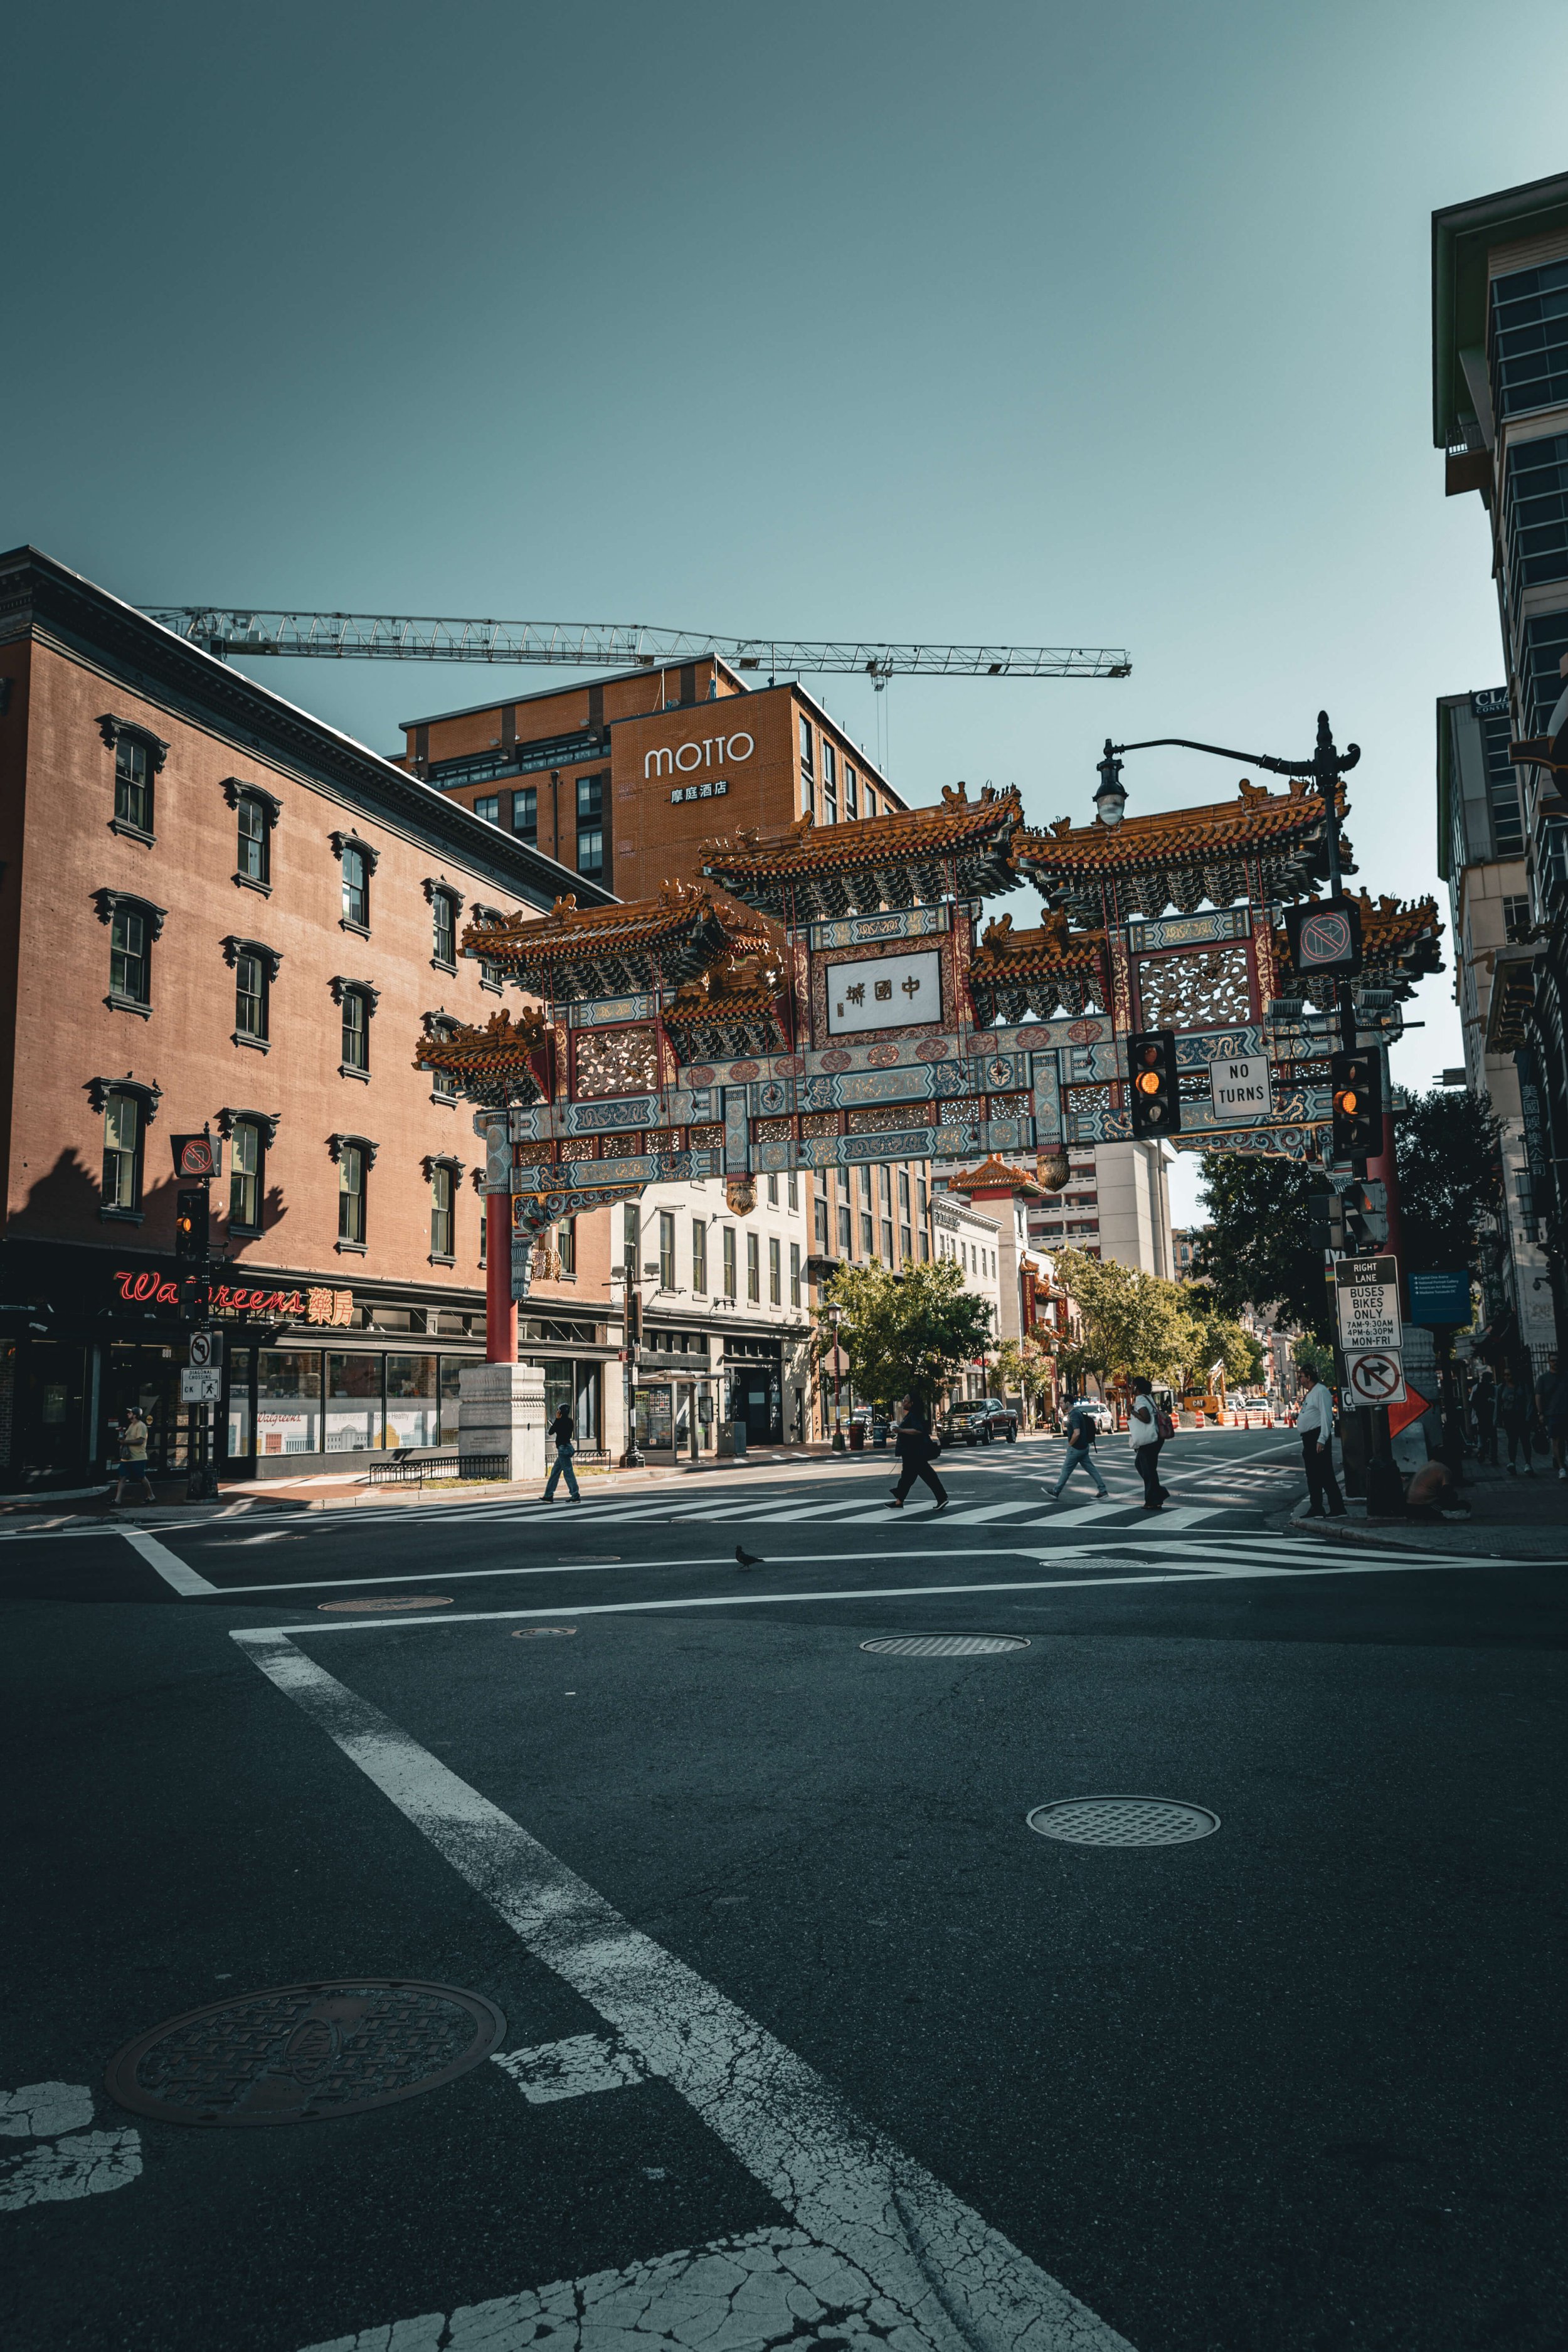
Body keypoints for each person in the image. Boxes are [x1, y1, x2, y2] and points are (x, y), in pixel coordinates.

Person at [1296, 1374, 1345, 1518]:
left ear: (1309, 1377)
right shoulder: (1311, 1393)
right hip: (1309, 1438)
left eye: (1301, 1377)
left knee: (1325, 1474)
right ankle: (1316, 1507)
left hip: (1317, 1437)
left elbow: (1326, 1415)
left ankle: (1338, 1508)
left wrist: (1322, 1438)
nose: (1299, 1380)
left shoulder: (1321, 1391)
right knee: (1313, 1476)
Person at [1047, 1396, 1111, 1502]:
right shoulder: (1076, 1413)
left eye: (1062, 1402)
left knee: (1066, 1470)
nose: (1061, 1404)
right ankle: (1103, 1490)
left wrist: (1070, 1445)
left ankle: (1056, 1491)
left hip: (1076, 1448)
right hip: (1084, 1447)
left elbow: (1077, 1433)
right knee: (1091, 1469)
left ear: (1068, 1403)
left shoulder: (1074, 1415)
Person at [887, 1401, 948, 1511]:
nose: (903, 1402)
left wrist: (901, 1430)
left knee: (927, 1476)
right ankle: (899, 1501)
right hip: (911, 1452)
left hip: (914, 1452)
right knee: (908, 1477)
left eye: (906, 1401)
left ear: (912, 1403)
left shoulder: (914, 1416)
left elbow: (918, 1430)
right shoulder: (911, 1415)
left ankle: (942, 1497)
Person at [1127, 1375, 1167, 1511]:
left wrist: (1132, 1412)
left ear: (1137, 1388)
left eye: (1133, 1386)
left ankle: (1154, 1499)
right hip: (1155, 1438)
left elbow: (1146, 1418)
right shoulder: (1149, 1398)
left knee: (1147, 1470)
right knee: (1144, 1466)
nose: (1131, 1388)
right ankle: (1157, 1494)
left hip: (1149, 1440)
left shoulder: (1140, 1400)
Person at [112, 1410, 154, 1507]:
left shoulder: (141, 1426)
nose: (128, 1414)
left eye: (130, 1413)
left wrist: (125, 1442)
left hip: (138, 1457)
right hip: (127, 1457)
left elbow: (140, 1441)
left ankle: (151, 1496)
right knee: (122, 1476)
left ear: (135, 1415)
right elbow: (128, 1438)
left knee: (141, 1477)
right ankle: (117, 1500)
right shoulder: (131, 1425)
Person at [1496, 1370, 1533, 1476]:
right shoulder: (1502, 1388)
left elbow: (1529, 1401)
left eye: (1509, 1374)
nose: (1507, 1377)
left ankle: (1528, 1463)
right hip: (1509, 1417)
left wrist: (1529, 1416)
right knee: (1512, 1441)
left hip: (1521, 1416)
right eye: (1505, 1375)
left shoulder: (1522, 1386)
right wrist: (1497, 1418)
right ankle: (1512, 1462)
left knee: (1525, 1440)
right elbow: (1498, 1404)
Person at [543, 1404, 581, 1502]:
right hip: (567, 1447)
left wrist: (557, 1419)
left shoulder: (560, 1422)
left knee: (568, 1473)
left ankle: (575, 1495)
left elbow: (551, 1432)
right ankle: (548, 1495)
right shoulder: (570, 1422)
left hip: (563, 1449)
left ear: (560, 1413)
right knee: (555, 1472)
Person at [1471, 1370, 1497, 1466]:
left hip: (1480, 1416)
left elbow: (1471, 1401)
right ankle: (1493, 1457)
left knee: (1481, 1436)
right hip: (1491, 1416)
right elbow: (1497, 1401)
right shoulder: (1494, 1388)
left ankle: (1481, 1451)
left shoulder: (1477, 1387)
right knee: (1493, 1437)